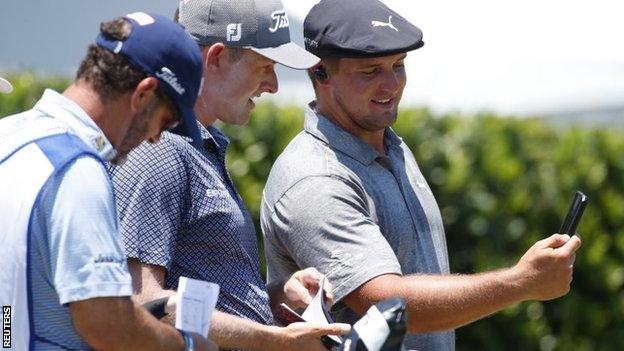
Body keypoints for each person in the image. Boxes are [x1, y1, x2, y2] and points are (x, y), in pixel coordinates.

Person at [260, 0, 583, 350]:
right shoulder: (315, 179)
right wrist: (520, 283)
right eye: (370, 72)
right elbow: (386, 303)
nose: (391, 85)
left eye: (398, 65)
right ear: (319, 72)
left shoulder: (389, 143)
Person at [110, 0, 349, 350]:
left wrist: (277, 296)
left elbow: (202, 302)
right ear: (216, 58)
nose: (273, 85)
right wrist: (274, 340)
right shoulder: (159, 152)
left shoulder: (198, 146)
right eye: (266, 66)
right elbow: (142, 302)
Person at [0, 13, 215, 350]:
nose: (158, 138)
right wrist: (185, 345)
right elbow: (105, 324)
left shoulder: (8, 134)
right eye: (167, 121)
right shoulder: (76, 169)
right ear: (144, 94)